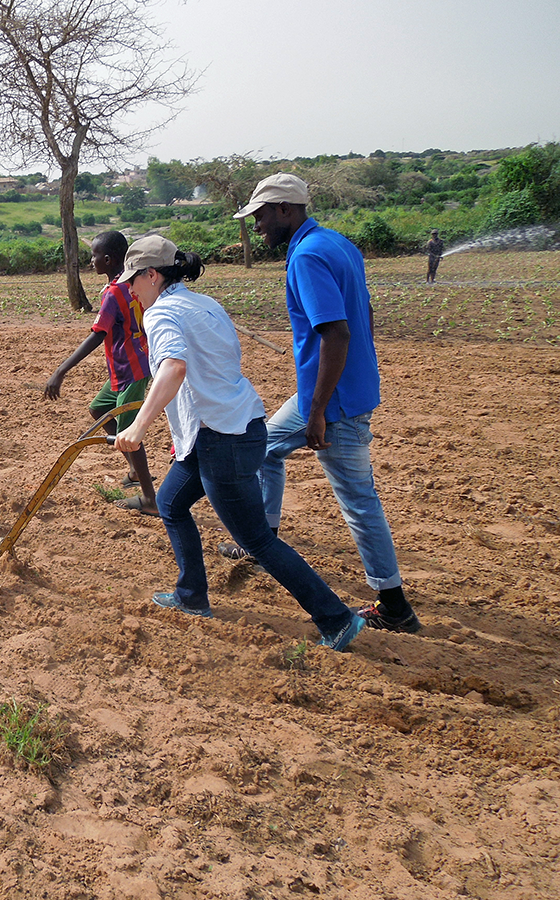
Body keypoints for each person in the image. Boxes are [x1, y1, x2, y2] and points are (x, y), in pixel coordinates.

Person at [114, 235, 365, 651]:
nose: (130, 288)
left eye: (133, 280)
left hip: (220, 439)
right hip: (235, 425)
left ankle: (336, 618)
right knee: (172, 504)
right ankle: (191, 595)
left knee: (257, 540)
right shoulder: (205, 304)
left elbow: (174, 367)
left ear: (153, 275)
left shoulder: (161, 315)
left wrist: (139, 426)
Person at [224, 173, 420, 634]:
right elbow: (363, 313)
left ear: (286, 210)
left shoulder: (308, 256)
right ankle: (263, 537)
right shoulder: (337, 244)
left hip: (332, 401)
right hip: (337, 388)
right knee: (266, 446)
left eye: (262, 216)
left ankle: (394, 604)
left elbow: (336, 332)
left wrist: (317, 413)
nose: (257, 227)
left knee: (357, 499)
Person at [44, 231, 157, 515]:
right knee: (99, 410)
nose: (91, 260)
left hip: (132, 369)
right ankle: (133, 471)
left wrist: (61, 370)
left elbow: (97, 335)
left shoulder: (113, 293)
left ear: (107, 260)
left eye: (94, 256)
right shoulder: (131, 284)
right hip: (125, 368)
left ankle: (150, 499)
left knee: (130, 434)